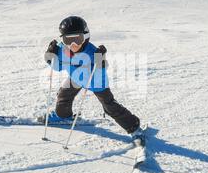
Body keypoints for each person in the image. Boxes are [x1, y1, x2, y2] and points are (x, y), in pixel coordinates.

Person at [44, 16, 145, 145]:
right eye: (67, 40)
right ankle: (63, 116)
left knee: (109, 106)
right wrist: (50, 57)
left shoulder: (92, 52)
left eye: (77, 39)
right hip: (75, 78)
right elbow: (57, 67)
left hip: (95, 81)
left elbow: (103, 69)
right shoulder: (62, 50)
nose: (73, 45)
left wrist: (101, 62)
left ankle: (134, 127)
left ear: (86, 37)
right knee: (63, 97)